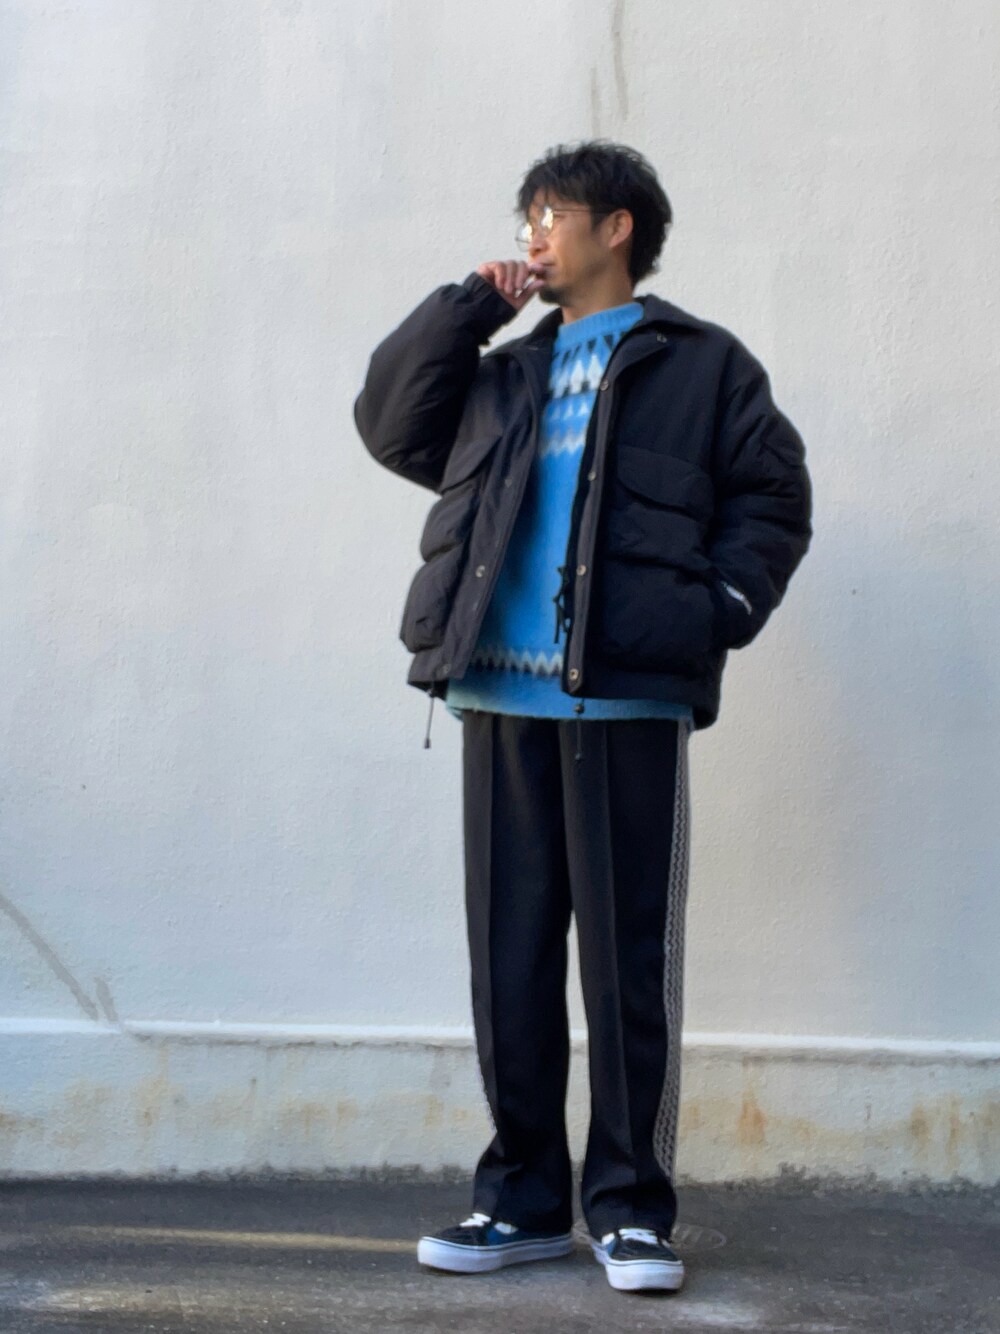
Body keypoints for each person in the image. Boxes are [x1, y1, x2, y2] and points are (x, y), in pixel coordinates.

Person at [353, 140, 812, 1294]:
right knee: (508, 964)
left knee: (624, 966)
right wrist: (470, 307)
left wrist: (715, 610)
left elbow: (774, 493)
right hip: (495, 697)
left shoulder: (703, 366)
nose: (532, 237)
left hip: (625, 699)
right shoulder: (504, 371)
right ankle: (519, 1198)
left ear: (617, 227)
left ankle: (630, 1208)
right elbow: (390, 420)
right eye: (526, 220)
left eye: (549, 215)